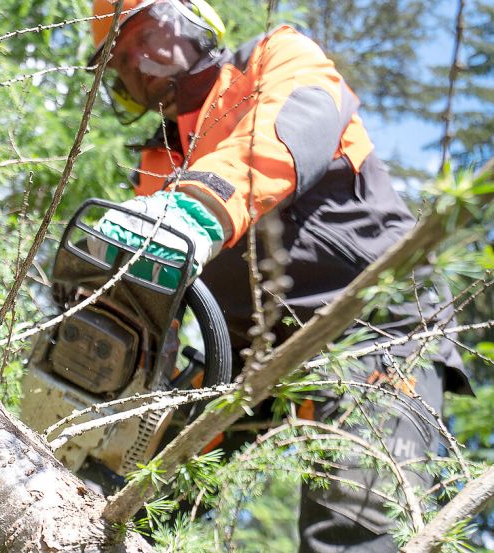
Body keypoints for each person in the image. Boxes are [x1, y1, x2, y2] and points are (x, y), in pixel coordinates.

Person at [87, 1, 471, 551]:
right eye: (123, 59)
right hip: (247, 352)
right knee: (133, 482)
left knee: (354, 526)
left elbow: (285, 130)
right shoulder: (157, 163)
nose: (142, 61)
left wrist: (199, 207)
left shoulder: (277, 58)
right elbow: (144, 300)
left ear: (193, 23)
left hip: (379, 322)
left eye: (148, 35)